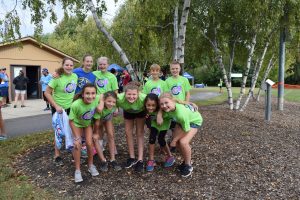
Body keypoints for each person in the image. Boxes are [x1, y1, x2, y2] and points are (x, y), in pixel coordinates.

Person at [100, 82, 146, 172]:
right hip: (128, 111)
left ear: (138, 93)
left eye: (134, 94)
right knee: (128, 133)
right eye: (129, 94)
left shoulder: (143, 98)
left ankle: (140, 159)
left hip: (141, 112)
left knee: (139, 133)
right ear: (124, 93)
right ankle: (132, 157)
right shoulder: (119, 98)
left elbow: (154, 101)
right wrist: (116, 107)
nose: (131, 97)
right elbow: (106, 96)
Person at [159, 93, 203, 177]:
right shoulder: (168, 109)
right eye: (162, 104)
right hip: (181, 123)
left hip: (193, 122)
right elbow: (159, 110)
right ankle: (186, 160)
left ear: (173, 101)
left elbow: (186, 129)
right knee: (178, 143)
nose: (164, 106)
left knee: (183, 142)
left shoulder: (181, 113)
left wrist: (174, 140)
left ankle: (188, 165)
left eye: (166, 103)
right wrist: (159, 115)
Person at [44, 57, 78, 166]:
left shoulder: (75, 76)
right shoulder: (57, 77)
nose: (69, 67)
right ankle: (57, 155)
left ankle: (73, 153)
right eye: (67, 65)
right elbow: (47, 93)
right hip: (58, 108)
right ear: (63, 65)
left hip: (70, 108)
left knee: (72, 131)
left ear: (73, 67)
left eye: (71, 65)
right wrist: (56, 106)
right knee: (58, 132)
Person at [69, 84, 100, 183]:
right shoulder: (76, 104)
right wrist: (77, 137)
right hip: (76, 124)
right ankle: (77, 170)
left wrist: (95, 132)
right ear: (82, 94)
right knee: (77, 144)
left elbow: (97, 118)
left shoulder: (96, 100)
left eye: (93, 93)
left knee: (90, 143)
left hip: (87, 124)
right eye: (87, 93)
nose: (90, 96)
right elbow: (71, 121)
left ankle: (90, 165)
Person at [93, 57, 119, 153]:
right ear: (98, 65)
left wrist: (116, 107)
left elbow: (115, 92)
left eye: (104, 64)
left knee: (109, 128)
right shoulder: (94, 74)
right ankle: (100, 147)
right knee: (99, 126)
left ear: (108, 65)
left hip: (109, 105)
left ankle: (113, 146)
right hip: (98, 104)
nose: (102, 66)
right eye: (100, 64)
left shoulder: (112, 77)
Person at [144, 93, 175, 172]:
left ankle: (170, 156)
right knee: (152, 138)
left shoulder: (163, 109)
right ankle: (151, 160)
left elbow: (174, 103)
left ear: (157, 105)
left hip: (164, 125)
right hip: (154, 124)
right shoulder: (146, 110)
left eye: (153, 105)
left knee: (161, 139)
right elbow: (147, 116)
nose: (151, 107)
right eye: (148, 105)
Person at [93, 91, 122, 171]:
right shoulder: (99, 106)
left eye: (113, 102)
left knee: (111, 135)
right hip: (96, 119)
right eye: (109, 101)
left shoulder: (114, 104)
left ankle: (113, 159)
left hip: (107, 117)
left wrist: (116, 108)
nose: (111, 104)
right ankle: (103, 160)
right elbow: (97, 123)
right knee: (96, 137)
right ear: (104, 100)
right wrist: (95, 133)